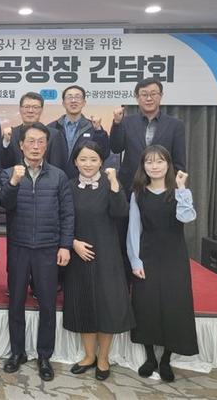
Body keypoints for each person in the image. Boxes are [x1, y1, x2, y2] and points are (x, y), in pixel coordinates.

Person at [0, 122, 74, 381]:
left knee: (47, 304)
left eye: (40, 141)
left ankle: (44, 355)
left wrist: (65, 245)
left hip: (47, 248)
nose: (35, 146)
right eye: (30, 141)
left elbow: (67, 214)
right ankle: (17, 352)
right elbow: (4, 204)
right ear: (21, 145)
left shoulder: (58, 176)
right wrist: (13, 182)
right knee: (16, 301)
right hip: (19, 247)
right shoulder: (9, 173)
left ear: (46, 145)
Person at [62, 141, 134, 381]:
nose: (88, 164)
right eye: (83, 159)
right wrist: (73, 243)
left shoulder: (110, 183)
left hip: (107, 254)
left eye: (93, 159)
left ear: (101, 161)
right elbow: (61, 218)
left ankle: (103, 358)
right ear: (75, 162)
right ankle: (88, 355)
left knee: (106, 306)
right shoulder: (69, 186)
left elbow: (121, 212)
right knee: (84, 304)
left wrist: (114, 184)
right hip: (79, 254)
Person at [127, 145, 198, 382]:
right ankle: (150, 358)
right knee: (145, 305)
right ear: (143, 166)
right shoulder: (137, 193)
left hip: (174, 256)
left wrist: (182, 188)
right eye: (149, 162)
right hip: (147, 254)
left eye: (159, 161)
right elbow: (133, 229)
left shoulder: (179, 192)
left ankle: (166, 359)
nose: (154, 166)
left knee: (173, 304)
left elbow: (187, 217)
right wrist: (135, 260)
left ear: (168, 164)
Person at [110, 78, 186, 196]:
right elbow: (116, 148)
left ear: (161, 96)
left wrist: (174, 187)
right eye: (144, 94)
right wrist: (117, 123)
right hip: (130, 185)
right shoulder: (126, 121)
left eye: (153, 94)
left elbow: (179, 161)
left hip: (163, 187)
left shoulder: (175, 125)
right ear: (137, 97)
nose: (149, 98)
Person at [48, 85, 110, 179]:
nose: (73, 101)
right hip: (55, 179)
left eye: (77, 97)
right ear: (63, 103)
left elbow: (104, 154)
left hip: (83, 181)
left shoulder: (92, 127)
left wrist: (99, 131)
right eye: (69, 97)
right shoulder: (51, 128)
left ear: (84, 103)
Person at [1, 92, 65, 169]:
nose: (30, 111)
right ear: (20, 109)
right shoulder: (10, 134)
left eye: (35, 107)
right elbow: (3, 164)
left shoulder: (54, 135)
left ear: (41, 110)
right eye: (26, 107)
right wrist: (6, 141)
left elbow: (57, 166)